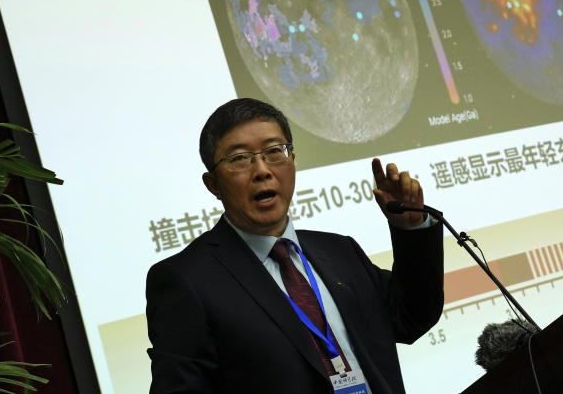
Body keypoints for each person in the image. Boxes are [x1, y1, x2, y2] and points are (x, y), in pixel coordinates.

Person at [146, 98, 444, 393]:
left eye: (274, 151)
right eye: (239, 158)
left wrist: (411, 228)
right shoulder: (186, 281)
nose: (262, 169)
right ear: (213, 184)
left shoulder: (340, 251)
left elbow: (411, 317)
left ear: (292, 160)